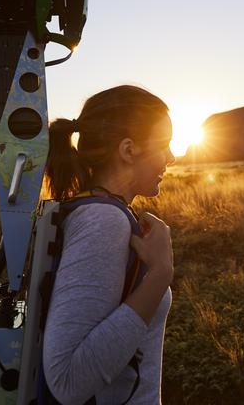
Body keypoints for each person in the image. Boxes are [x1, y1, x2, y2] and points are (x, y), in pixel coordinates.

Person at [42, 85, 176, 404]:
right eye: (165, 145)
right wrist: (160, 275)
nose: (172, 156)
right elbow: (68, 380)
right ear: (129, 150)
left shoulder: (103, 213)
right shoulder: (104, 221)